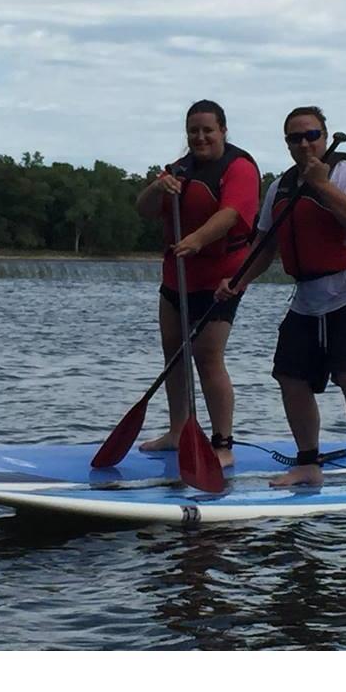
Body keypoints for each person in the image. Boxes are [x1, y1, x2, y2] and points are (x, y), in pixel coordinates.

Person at [216, 106, 346, 491]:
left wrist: (323, 186)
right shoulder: (281, 187)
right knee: (289, 376)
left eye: (312, 135)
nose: (305, 143)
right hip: (309, 295)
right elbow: (264, 246)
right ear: (288, 144)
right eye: (296, 138)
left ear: (325, 137)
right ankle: (308, 463)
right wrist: (238, 280)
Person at [135, 100, 260, 466]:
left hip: (221, 278)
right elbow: (142, 209)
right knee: (174, 354)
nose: (200, 137)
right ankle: (179, 430)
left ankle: (223, 445)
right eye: (193, 131)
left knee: (207, 356)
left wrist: (197, 240)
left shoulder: (240, 167)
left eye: (208, 130)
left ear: (223, 130)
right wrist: (158, 189)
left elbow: (230, 214)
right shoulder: (178, 170)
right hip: (177, 277)